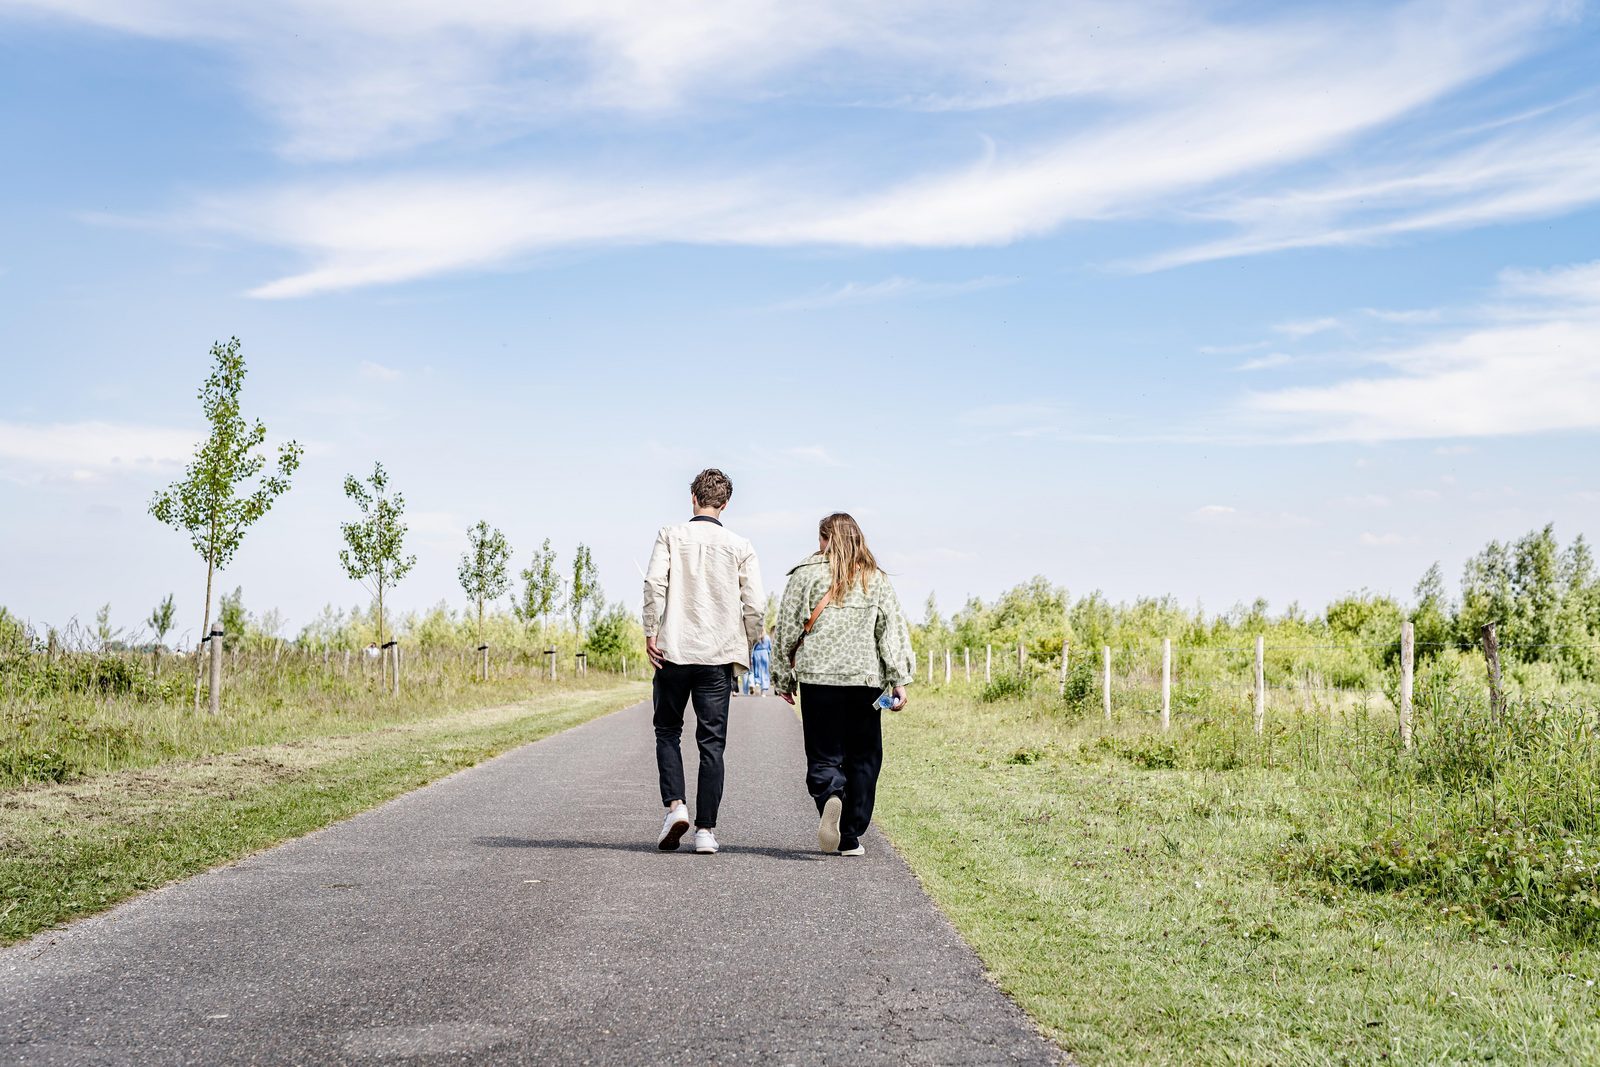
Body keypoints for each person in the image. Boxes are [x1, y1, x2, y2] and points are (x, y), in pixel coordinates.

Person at [772, 513, 913, 856]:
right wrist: (898, 679)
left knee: (824, 755)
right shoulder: (874, 578)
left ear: (825, 540)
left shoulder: (805, 575)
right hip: (865, 681)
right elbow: (890, 631)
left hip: (818, 680)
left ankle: (831, 794)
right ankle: (849, 835)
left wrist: (782, 677)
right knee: (864, 757)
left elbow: (787, 628)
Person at [641, 468, 765, 855]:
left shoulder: (670, 535)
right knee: (712, 743)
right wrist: (750, 639)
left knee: (667, 731)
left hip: (673, 650)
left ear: (692, 497)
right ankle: (706, 831)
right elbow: (755, 604)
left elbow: (653, 584)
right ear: (725, 503)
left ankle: (676, 807)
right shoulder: (740, 545)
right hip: (717, 656)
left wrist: (651, 630)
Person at [746, 630, 773, 695]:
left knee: (757, 671)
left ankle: (757, 683)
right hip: (765, 654)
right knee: (765, 672)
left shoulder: (756, 638)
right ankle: (764, 690)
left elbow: (752, 648)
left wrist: (751, 657)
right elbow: (770, 648)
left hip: (756, 654)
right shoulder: (767, 638)